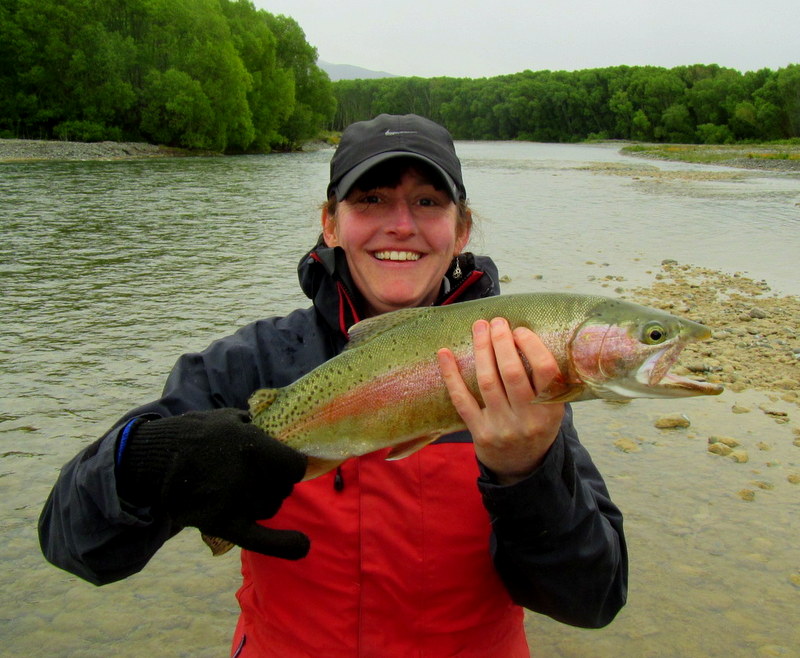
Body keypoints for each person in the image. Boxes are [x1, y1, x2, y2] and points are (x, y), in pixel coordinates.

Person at [39, 114, 627, 657]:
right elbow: (76, 547)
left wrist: (526, 472)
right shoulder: (248, 364)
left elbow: (591, 600)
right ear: (331, 222)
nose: (401, 224)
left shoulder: (515, 372)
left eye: (427, 201)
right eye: (371, 200)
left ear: (461, 227)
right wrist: (143, 462)